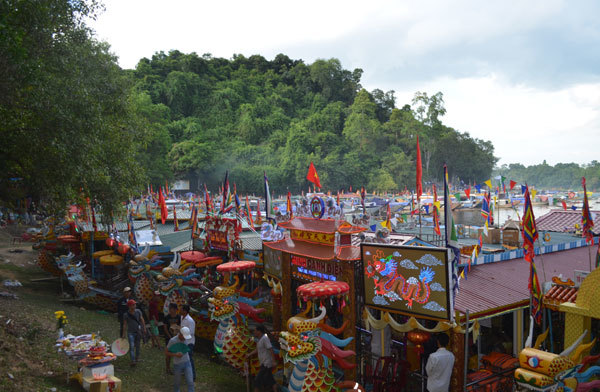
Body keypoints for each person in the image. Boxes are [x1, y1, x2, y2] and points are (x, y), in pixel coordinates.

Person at [246, 325, 277, 392]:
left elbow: (270, 349)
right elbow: (257, 350)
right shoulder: (260, 340)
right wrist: (249, 354)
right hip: (263, 362)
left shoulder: (265, 339)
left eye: (255, 330)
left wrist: (273, 361)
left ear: (259, 331)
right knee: (271, 380)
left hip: (266, 363)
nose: (254, 332)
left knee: (257, 380)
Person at [165, 326, 194, 392]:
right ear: (180, 334)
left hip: (187, 362)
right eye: (184, 337)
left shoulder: (185, 338)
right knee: (177, 383)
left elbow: (186, 348)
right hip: (177, 365)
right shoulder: (172, 341)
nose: (185, 339)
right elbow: (166, 352)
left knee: (190, 382)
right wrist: (175, 354)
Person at [122, 299, 146, 366]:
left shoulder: (138, 311)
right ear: (129, 306)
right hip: (130, 332)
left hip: (138, 331)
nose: (135, 306)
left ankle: (137, 358)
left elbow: (142, 319)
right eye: (133, 305)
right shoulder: (126, 315)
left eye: (135, 304)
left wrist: (144, 328)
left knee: (138, 346)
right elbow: (125, 324)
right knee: (132, 346)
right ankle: (133, 360)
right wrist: (123, 334)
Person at [164, 303, 181, 375]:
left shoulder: (179, 317)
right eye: (169, 308)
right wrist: (170, 337)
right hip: (169, 338)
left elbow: (180, 327)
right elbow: (165, 328)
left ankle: (177, 368)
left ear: (175, 309)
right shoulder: (166, 317)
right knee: (168, 354)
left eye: (171, 308)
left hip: (177, 337)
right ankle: (168, 368)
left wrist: (177, 335)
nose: (169, 310)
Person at [180, 304, 196, 381]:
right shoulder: (181, 318)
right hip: (183, 342)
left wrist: (183, 333)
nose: (180, 310)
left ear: (185, 311)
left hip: (189, 342)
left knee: (189, 359)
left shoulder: (190, 320)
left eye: (181, 309)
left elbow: (191, 332)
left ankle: (193, 376)